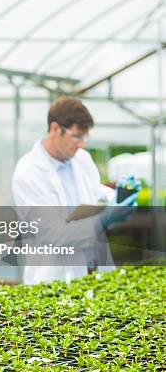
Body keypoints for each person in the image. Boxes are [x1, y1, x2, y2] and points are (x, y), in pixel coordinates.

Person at [12, 96, 138, 284]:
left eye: (84, 137)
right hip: (54, 278)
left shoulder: (82, 159)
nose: (81, 144)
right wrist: (103, 220)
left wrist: (120, 197)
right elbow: (52, 235)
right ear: (55, 129)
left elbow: (97, 194)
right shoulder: (28, 173)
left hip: (94, 271)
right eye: (76, 136)